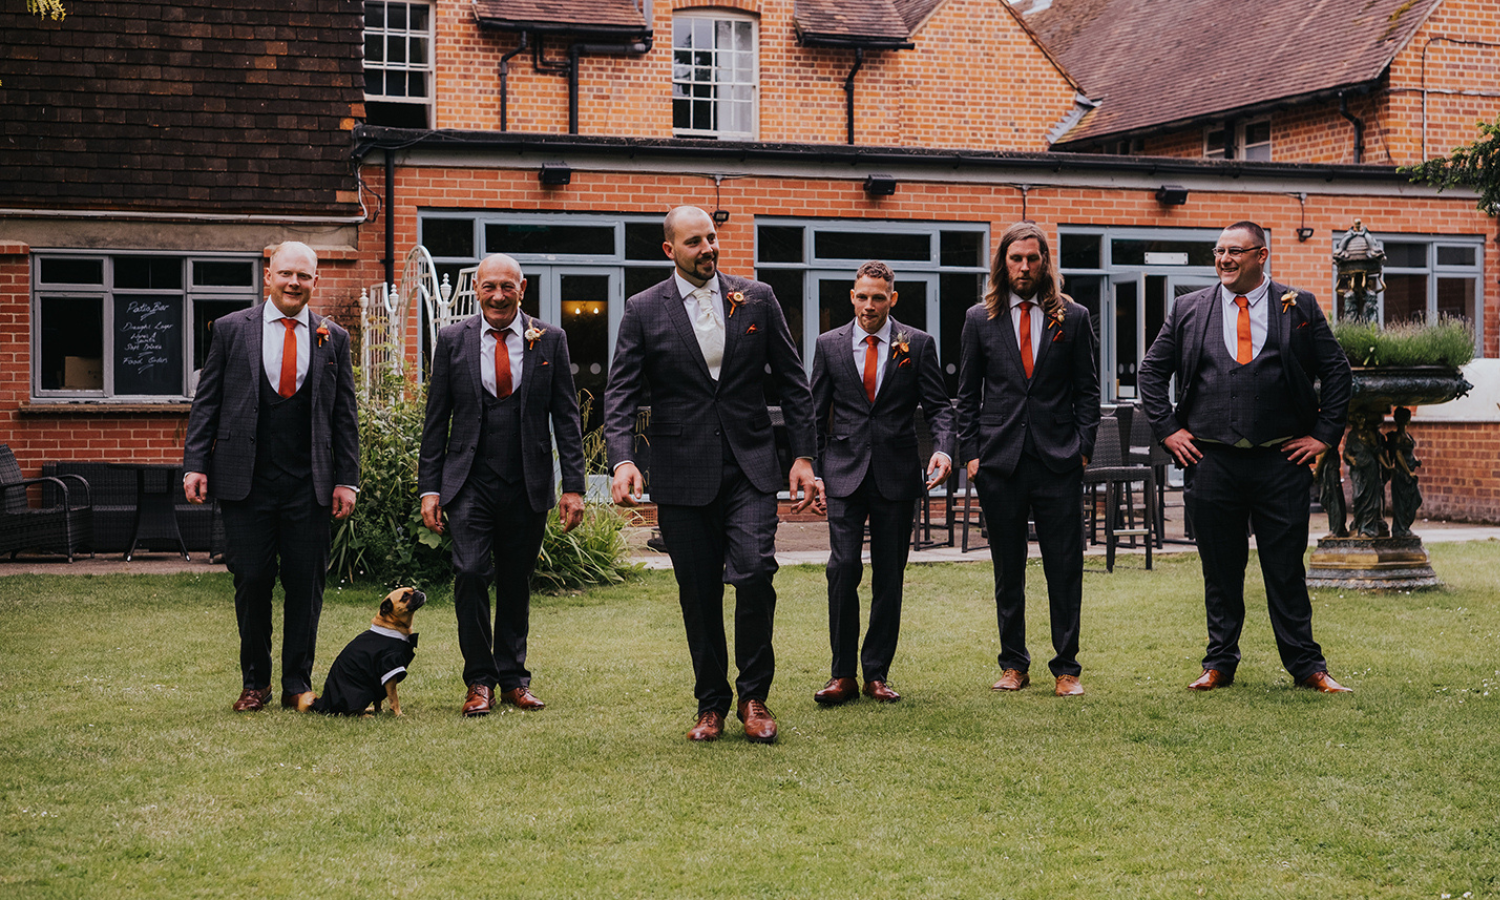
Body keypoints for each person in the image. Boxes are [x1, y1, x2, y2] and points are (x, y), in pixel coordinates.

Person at [604, 206, 817, 744]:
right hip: (681, 471)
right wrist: (623, 458)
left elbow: (794, 384)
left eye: (712, 238)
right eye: (694, 241)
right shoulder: (643, 309)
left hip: (750, 464)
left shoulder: (757, 298)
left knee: (754, 572)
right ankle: (710, 703)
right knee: (698, 592)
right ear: (669, 250)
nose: (708, 248)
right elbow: (622, 391)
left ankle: (754, 697)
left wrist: (803, 456)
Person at [1138, 221, 1354, 693]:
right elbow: (1151, 374)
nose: (1224, 259)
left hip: (1281, 462)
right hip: (1211, 462)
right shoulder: (1188, 309)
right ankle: (1219, 663)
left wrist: (1322, 435)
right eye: (1218, 251)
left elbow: (1337, 374)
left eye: (1235, 251)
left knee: (1285, 569)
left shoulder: (1299, 308)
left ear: (1262, 255)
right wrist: (1169, 430)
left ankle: (1307, 667)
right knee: (1219, 568)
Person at [183, 241, 359, 712]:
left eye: (303, 276)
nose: (294, 283)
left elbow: (345, 416)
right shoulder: (229, 330)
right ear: (268, 276)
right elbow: (208, 403)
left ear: (315, 281)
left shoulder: (333, 337)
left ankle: (296, 684)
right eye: (285, 274)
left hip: (311, 483)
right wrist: (196, 463)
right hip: (247, 482)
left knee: (307, 584)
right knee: (253, 579)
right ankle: (255, 682)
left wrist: (348, 479)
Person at [419, 253, 586, 717]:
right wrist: (428, 489)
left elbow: (566, 418)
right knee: (470, 572)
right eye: (489, 286)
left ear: (522, 289)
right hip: (468, 482)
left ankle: (513, 678)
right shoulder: (453, 340)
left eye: (506, 287)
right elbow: (436, 422)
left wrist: (573, 486)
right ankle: (479, 681)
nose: (497, 295)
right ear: (477, 289)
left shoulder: (550, 339)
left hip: (527, 482)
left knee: (516, 581)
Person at [956, 222, 1100, 698]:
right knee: (1007, 570)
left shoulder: (1073, 317)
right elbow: (966, 396)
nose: (1024, 267)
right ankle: (1014, 664)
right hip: (1000, 464)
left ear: (1045, 263)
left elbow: (1087, 391)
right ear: (1003, 263)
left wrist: (1081, 450)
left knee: (1065, 567)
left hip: (1058, 462)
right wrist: (972, 455)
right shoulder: (980, 318)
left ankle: (1066, 668)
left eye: (1032, 259)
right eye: (1016, 259)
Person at [808, 260, 953, 705]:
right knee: (842, 569)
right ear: (852, 297)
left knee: (889, 576)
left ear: (892, 298)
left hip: (896, 474)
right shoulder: (828, 345)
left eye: (878, 297)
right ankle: (841, 674)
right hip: (844, 473)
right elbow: (813, 413)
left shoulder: (918, 344)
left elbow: (941, 408)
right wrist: (811, 470)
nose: (869, 305)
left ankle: (876, 674)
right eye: (861, 296)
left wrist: (944, 449)